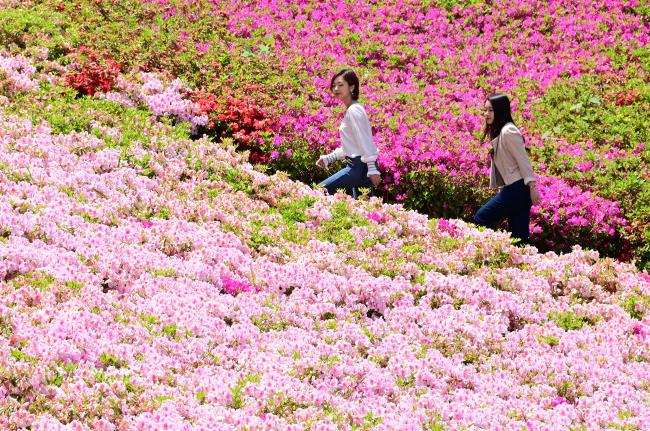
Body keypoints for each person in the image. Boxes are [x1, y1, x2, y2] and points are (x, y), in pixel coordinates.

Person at [474, 93, 541, 244]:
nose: (486, 114)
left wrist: (532, 187)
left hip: (517, 189)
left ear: (500, 110)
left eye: (490, 110)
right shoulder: (500, 131)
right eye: (485, 110)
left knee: (481, 217)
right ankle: (524, 264)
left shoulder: (508, 131)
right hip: (515, 190)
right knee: (519, 240)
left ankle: (492, 249)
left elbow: (523, 160)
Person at [316, 69, 381, 198]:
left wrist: (372, 169)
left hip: (359, 168)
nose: (336, 88)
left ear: (352, 87)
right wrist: (330, 157)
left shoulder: (354, 110)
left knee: (318, 192)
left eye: (340, 85)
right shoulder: (353, 109)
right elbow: (353, 145)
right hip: (360, 166)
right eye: (334, 85)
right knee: (364, 211)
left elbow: (365, 140)